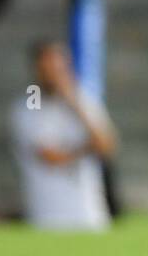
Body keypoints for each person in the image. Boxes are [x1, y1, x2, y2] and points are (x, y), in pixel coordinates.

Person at [9, 40, 118, 232]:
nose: (54, 75)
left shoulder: (84, 102)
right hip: (48, 217)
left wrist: (75, 105)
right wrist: (88, 147)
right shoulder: (28, 107)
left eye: (58, 69)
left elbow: (107, 146)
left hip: (89, 213)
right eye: (48, 69)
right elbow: (51, 157)